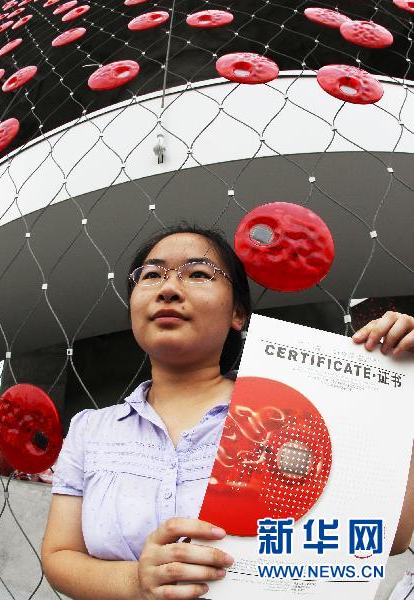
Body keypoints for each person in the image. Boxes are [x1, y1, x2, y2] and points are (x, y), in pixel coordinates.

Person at [41, 224, 414, 600]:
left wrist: (402, 384)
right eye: (151, 275)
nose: (169, 289)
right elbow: (59, 556)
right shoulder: (90, 430)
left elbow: (393, 536)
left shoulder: (295, 414)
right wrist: (136, 581)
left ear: (238, 313)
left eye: (198, 274)